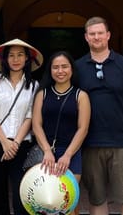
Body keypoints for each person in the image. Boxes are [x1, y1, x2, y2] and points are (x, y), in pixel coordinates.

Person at [76, 16, 123, 215]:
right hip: (90, 145)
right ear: (86, 37)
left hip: (122, 144)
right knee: (96, 199)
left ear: (108, 36)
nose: (96, 37)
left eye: (100, 33)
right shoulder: (77, 68)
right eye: (92, 34)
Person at [0, 38, 42, 215]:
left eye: (20, 55)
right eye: (11, 55)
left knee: (22, 193)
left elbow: (31, 116)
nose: (16, 59)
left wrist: (15, 143)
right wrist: (4, 142)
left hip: (22, 146)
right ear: (5, 59)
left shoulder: (33, 86)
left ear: (27, 59)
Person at [30, 51, 91, 215]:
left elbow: (83, 129)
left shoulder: (81, 95)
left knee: (68, 203)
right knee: (44, 202)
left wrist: (68, 155)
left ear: (72, 69)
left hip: (70, 154)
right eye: (55, 67)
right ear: (50, 70)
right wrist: (47, 151)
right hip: (45, 154)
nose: (60, 71)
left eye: (64, 66)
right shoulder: (42, 94)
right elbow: (36, 125)